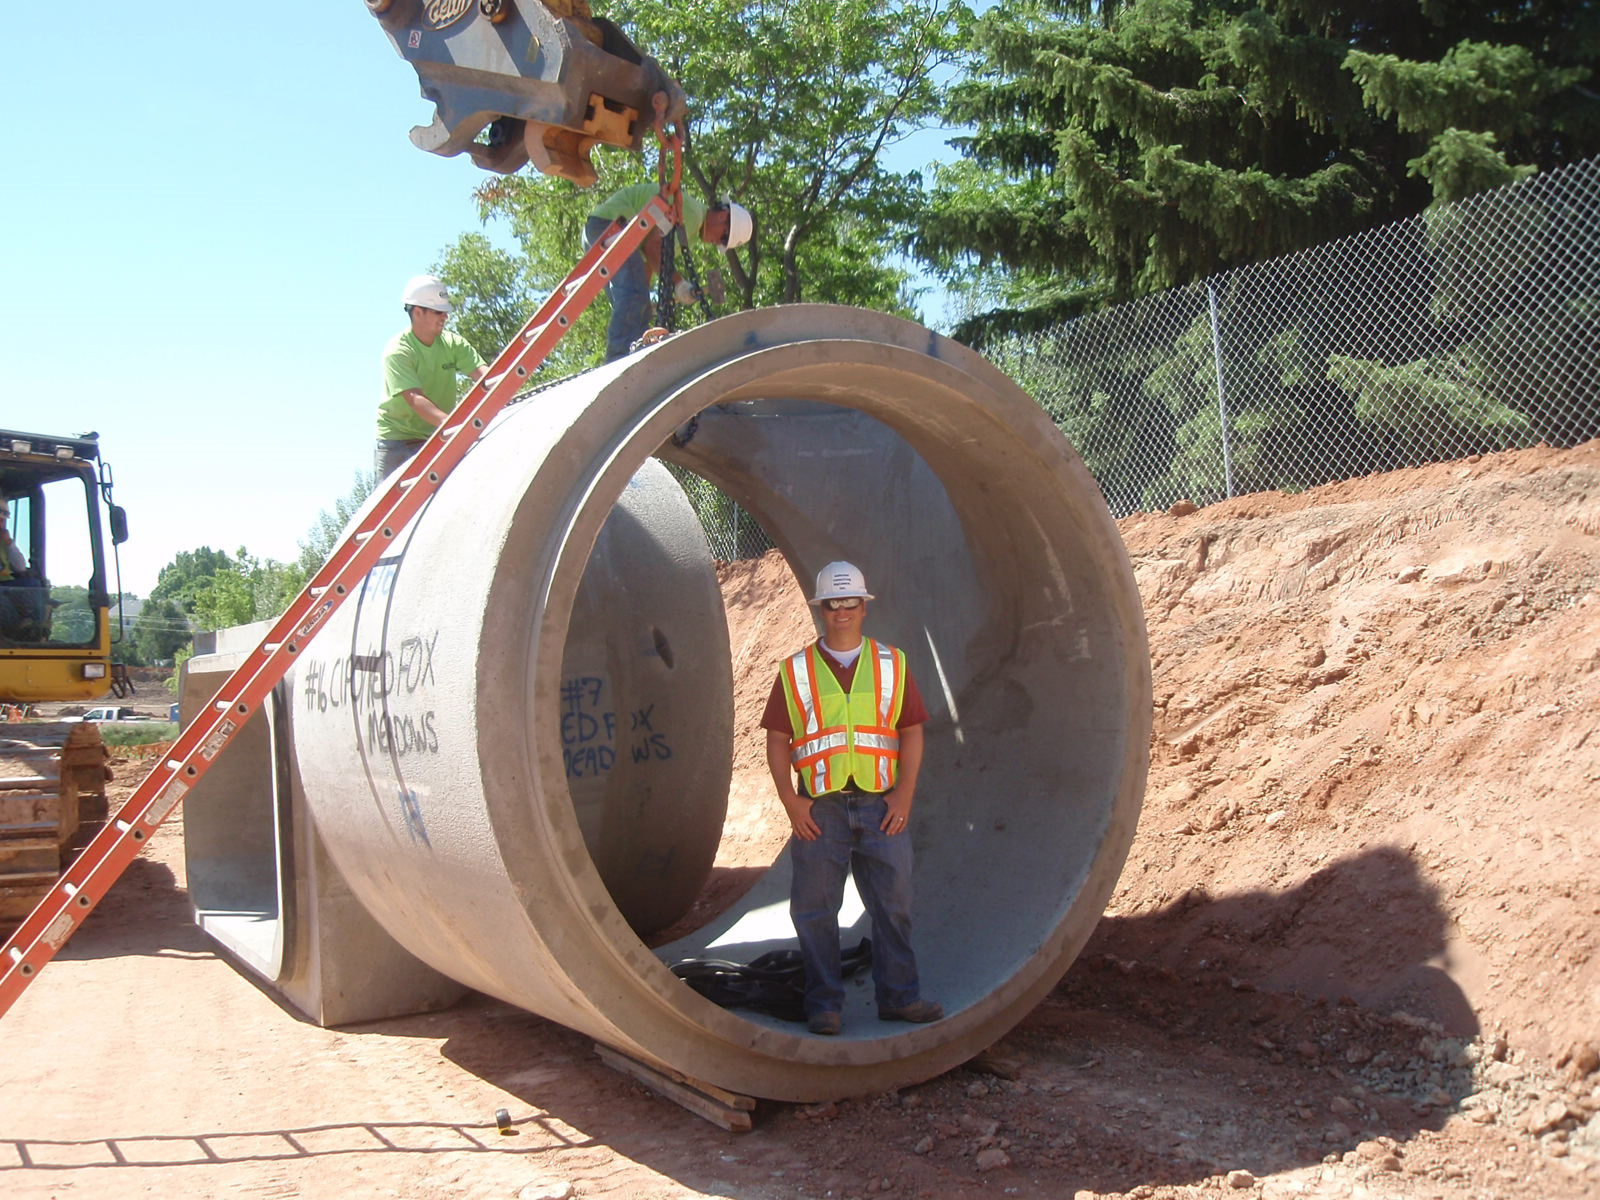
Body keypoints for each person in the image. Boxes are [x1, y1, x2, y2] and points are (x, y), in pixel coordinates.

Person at [761, 561, 943, 1036]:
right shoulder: (796, 670)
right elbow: (778, 739)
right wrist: (790, 801)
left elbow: (912, 731)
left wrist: (904, 795)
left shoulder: (892, 665)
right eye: (832, 604)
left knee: (893, 904)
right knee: (815, 909)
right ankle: (824, 1005)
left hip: (880, 806)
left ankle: (899, 998)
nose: (841, 611)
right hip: (820, 810)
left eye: (850, 603)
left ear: (864, 607)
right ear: (820, 609)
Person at [583, 184, 752, 363]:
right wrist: (679, 284)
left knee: (637, 306)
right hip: (610, 227)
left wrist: (645, 301)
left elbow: (646, 263)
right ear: (723, 216)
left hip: (601, 233)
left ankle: (631, 361)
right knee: (633, 298)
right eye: (723, 237)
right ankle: (619, 362)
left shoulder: (692, 233)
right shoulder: (692, 215)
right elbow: (652, 247)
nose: (717, 242)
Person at [376, 275, 489, 478]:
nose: (445, 317)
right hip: (398, 442)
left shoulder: (453, 344)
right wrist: (455, 426)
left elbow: (485, 376)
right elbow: (415, 399)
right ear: (418, 312)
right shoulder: (398, 351)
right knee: (392, 507)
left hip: (437, 435)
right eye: (439, 312)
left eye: (445, 312)